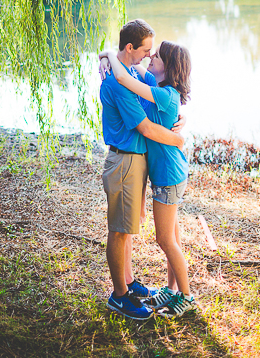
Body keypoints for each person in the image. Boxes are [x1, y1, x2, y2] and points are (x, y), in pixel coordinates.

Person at [100, 40, 197, 317]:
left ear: (169, 67)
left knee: (166, 240)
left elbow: (123, 77)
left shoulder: (164, 95)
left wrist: (178, 138)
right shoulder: (158, 88)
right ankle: (171, 289)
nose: (151, 56)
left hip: (168, 175)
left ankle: (186, 296)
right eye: (150, 52)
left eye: (157, 55)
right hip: (167, 173)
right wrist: (107, 54)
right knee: (172, 237)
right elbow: (131, 64)